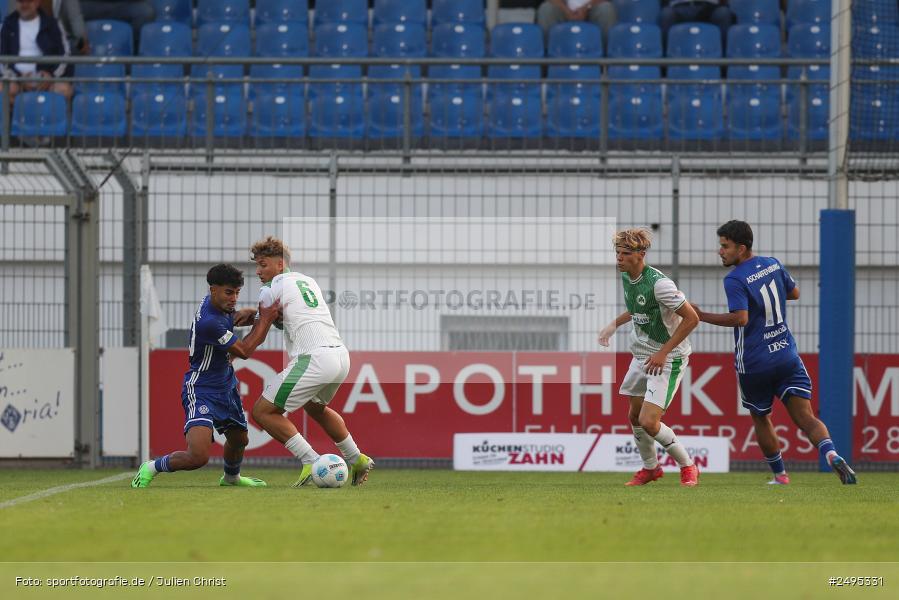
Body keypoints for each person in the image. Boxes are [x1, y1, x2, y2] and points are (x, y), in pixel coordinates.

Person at [692, 220, 857, 485]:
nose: (720, 251)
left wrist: (701, 316)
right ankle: (831, 453)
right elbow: (795, 293)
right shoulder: (772, 263)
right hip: (785, 354)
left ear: (742, 248)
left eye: (725, 246)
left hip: (755, 362)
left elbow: (741, 319)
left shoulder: (734, 278)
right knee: (806, 416)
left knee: (760, 417)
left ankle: (780, 476)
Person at [131, 264, 281, 488]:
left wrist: (257, 314)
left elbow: (238, 316)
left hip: (225, 385)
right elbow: (245, 351)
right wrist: (266, 320)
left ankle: (231, 478)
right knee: (198, 457)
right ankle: (151, 467)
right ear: (213, 290)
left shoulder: (217, 305)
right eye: (229, 292)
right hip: (201, 388)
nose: (234, 298)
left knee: (240, 439)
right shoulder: (209, 323)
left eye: (237, 292)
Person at [249, 236, 374, 487]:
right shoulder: (308, 281)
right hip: (340, 355)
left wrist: (246, 333)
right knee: (315, 408)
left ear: (280, 264)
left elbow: (263, 325)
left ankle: (311, 461)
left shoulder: (269, 289)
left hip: (313, 357)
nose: (258, 271)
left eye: (263, 265)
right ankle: (356, 458)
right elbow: (288, 317)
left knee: (262, 412)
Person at [598, 228, 701, 487]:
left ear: (640, 255)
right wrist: (614, 324)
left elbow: (692, 319)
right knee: (634, 416)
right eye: (617, 253)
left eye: (625, 254)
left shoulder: (660, 284)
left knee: (648, 421)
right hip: (642, 354)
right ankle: (651, 469)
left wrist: (663, 353)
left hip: (668, 357)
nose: (619, 258)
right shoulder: (627, 277)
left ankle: (688, 466)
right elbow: (637, 309)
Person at [0, 0, 75, 104]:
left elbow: (65, 55)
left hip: (46, 80)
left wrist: (50, 76)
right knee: (3, 89)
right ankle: (17, 119)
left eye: (28, 1)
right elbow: (2, 58)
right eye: (21, 1)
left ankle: (49, 119)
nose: (24, 5)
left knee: (65, 90)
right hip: (16, 80)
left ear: (37, 2)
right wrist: (18, 78)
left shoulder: (53, 24)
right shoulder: (7, 25)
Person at [5, 0, 89, 54]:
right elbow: (12, 18)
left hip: (57, 37)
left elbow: (75, 17)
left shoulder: (55, 26)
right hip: (24, 38)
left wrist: (82, 38)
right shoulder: (10, 22)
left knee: (76, 46)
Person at [659, 1, 735, 52]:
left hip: (709, 6)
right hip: (679, 6)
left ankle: (724, 60)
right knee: (666, 15)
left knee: (723, 13)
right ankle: (665, 61)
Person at [78, 0, 156, 48]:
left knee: (145, 12)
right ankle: (76, 58)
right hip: (91, 4)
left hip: (123, 4)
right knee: (71, 12)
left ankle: (134, 57)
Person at [536, 0, 618, 42]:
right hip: (563, 8)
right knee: (546, 9)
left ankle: (604, 62)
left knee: (606, 9)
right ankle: (547, 62)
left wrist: (585, 8)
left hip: (592, 7)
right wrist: (566, 11)